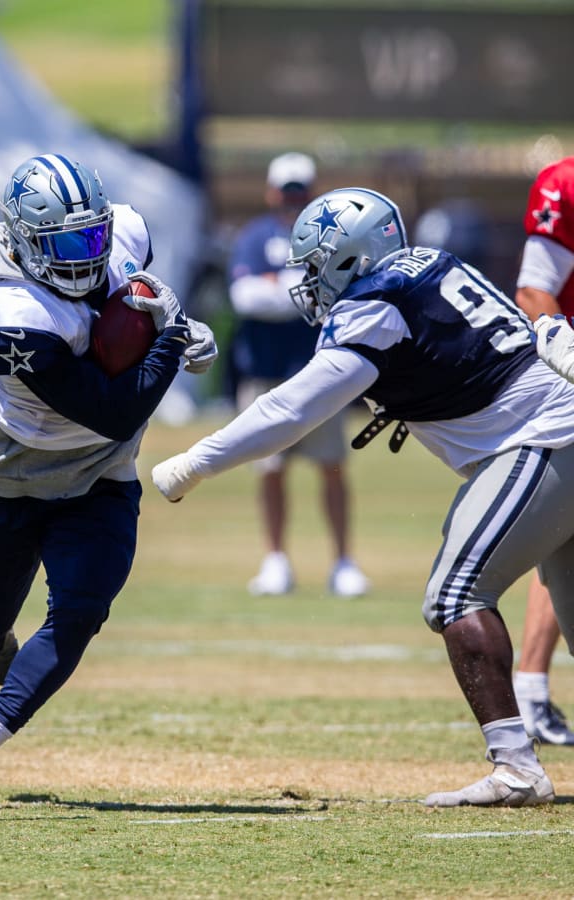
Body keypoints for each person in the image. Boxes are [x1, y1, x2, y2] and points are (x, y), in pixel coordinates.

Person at [151, 186, 574, 807]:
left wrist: (194, 462)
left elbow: (291, 409)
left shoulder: (374, 305)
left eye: (317, 266)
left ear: (353, 257)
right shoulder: (432, 262)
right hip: (556, 428)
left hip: (543, 437)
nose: (309, 283)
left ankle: (515, 767)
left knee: (456, 593)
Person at [0, 153, 216, 804]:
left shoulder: (127, 233)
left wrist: (147, 304)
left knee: (80, 612)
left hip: (101, 478)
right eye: (64, 243)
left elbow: (132, 269)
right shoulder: (12, 314)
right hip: (18, 470)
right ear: (27, 242)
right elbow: (113, 411)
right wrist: (172, 336)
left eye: (92, 236)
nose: (85, 256)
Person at [227, 153, 367, 598]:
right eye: (286, 191)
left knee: (331, 467)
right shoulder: (255, 236)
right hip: (266, 371)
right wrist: (301, 294)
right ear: (271, 192)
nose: (292, 200)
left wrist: (281, 290)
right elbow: (246, 297)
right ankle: (275, 560)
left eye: (300, 191)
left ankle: (344, 562)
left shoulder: (330, 239)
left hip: (320, 370)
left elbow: (340, 295)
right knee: (269, 469)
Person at [507, 156, 574, 746]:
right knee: (563, 533)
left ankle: (530, 690)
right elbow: (534, 291)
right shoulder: (565, 184)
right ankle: (528, 688)